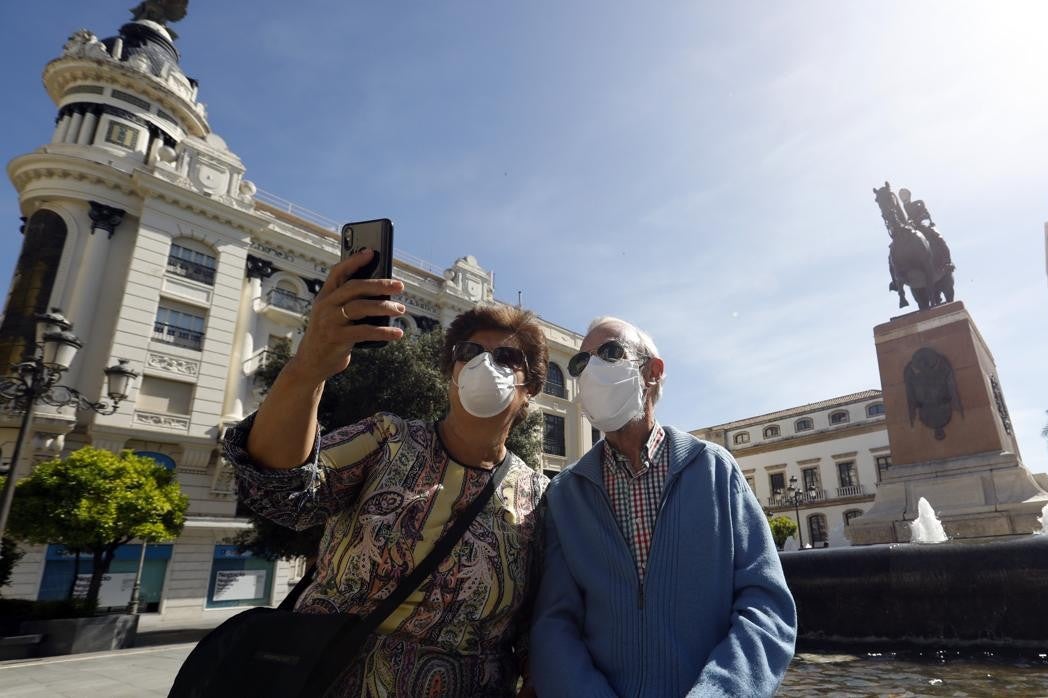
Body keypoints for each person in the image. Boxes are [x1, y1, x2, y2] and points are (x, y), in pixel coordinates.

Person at [222, 249, 549, 696]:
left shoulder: (541, 496)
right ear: (450, 373)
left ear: (529, 390)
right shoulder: (385, 438)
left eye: (508, 357)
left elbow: (538, 622)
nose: (483, 364)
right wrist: (308, 369)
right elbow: (280, 491)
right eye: (469, 351)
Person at [531, 316, 797, 697]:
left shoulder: (714, 469)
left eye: (609, 353)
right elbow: (554, 625)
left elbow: (766, 604)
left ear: (652, 372)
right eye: (581, 363)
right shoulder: (565, 494)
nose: (592, 370)